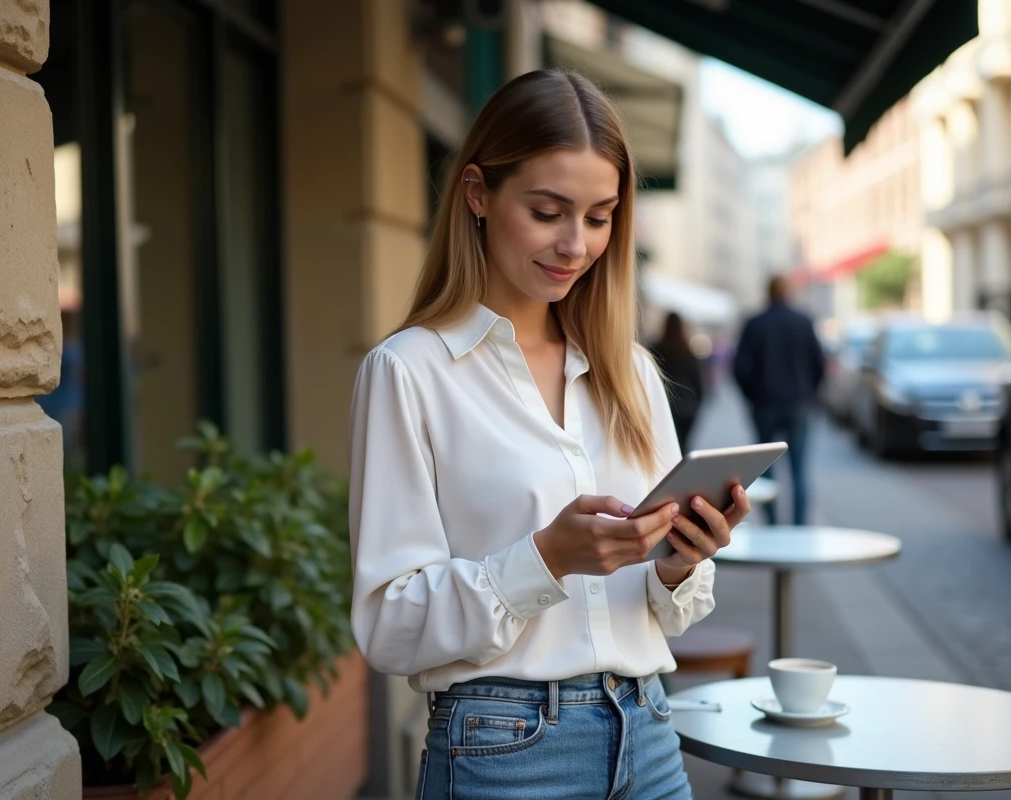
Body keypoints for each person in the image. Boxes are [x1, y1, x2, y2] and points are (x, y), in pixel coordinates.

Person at [348, 69, 752, 800]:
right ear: (478, 194)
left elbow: (671, 610)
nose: (575, 244)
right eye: (547, 211)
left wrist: (678, 563)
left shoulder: (628, 371)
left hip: (651, 734)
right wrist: (543, 559)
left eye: (599, 217)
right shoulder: (409, 371)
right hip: (503, 751)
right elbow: (389, 624)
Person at [732, 275, 825, 526]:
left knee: (766, 471)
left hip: (764, 405)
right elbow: (819, 365)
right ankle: (798, 529)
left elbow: (739, 368)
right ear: (789, 293)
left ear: (768, 292)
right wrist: (808, 394)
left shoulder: (755, 324)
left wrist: (753, 397)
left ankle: (773, 526)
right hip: (798, 405)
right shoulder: (804, 322)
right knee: (799, 471)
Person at [650, 312, 704, 453]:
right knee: (683, 447)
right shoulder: (688, 351)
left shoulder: (656, 349)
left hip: (665, 405)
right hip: (687, 406)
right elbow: (697, 382)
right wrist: (698, 403)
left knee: (666, 448)